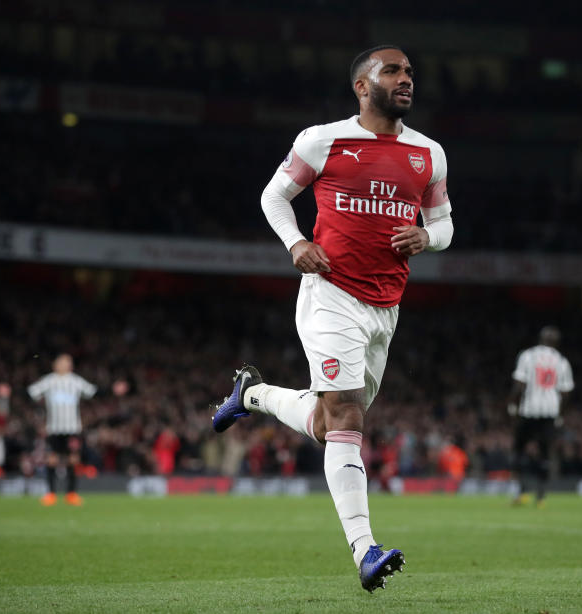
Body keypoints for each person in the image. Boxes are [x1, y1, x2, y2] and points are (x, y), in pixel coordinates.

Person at [211, 44, 453, 592]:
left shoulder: (429, 154)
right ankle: (365, 551)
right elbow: (274, 197)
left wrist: (427, 237)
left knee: (328, 425)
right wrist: (297, 243)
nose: (406, 79)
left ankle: (251, 395)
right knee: (346, 419)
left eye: (411, 71)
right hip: (331, 295)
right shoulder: (323, 140)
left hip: (386, 306)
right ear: (362, 87)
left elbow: (445, 224)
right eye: (392, 71)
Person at [28, 354, 126, 506]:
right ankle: (51, 494)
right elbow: (31, 392)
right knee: (52, 460)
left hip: (72, 428)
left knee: (73, 460)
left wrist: (113, 390)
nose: (66, 365)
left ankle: (71, 494)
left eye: (68, 362)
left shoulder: (75, 381)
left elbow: (94, 392)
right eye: (63, 362)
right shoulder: (49, 381)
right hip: (54, 428)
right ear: (55, 365)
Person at [509, 326, 574, 507]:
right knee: (545, 455)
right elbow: (566, 392)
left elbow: (519, 384)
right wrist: (560, 414)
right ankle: (541, 497)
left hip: (528, 411)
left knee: (519, 451)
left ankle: (521, 493)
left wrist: (512, 407)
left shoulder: (528, 356)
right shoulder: (562, 361)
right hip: (550, 412)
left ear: (540, 339)